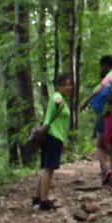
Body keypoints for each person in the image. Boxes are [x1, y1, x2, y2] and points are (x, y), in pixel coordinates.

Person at [31, 73, 73, 212]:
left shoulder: (63, 100)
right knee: (49, 169)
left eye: (69, 84)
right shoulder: (57, 96)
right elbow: (56, 100)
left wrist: (64, 141)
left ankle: (37, 197)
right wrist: (59, 101)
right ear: (58, 86)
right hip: (52, 136)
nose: (69, 87)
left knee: (46, 167)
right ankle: (44, 201)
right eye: (65, 84)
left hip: (56, 137)